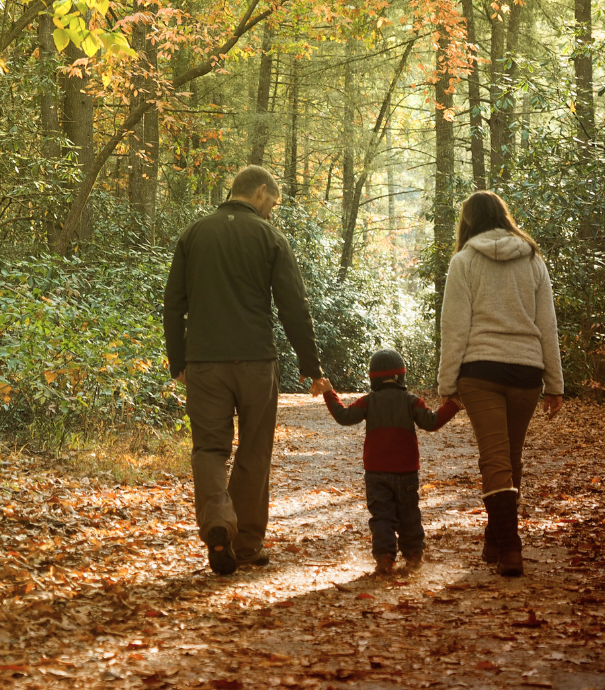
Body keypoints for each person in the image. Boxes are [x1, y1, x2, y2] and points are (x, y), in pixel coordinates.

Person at [164, 166, 332, 576]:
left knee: (209, 449)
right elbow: (294, 306)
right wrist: (312, 367)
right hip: (257, 361)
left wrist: (178, 361)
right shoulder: (270, 237)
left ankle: (219, 522)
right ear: (259, 192)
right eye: (272, 203)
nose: (272, 212)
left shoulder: (194, 234)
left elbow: (173, 302)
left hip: (204, 363)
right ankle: (247, 545)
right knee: (254, 450)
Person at [437, 191, 564, 577]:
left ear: (470, 221)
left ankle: (509, 545)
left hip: (480, 372)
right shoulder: (532, 259)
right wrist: (555, 383)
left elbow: (454, 327)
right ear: (503, 216)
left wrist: (447, 382)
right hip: (526, 371)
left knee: (497, 457)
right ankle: (498, 538)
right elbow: (547, 325)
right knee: (509, 456)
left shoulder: (464, 261)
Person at [323, 349, 459, 574]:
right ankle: (414, 555)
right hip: (406, 472)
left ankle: (385, 558)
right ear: (401, 376)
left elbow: (344, 416)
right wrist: (454, 404)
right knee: (409, 515)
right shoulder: (412, 401)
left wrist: (329, 392)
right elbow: (432, 422)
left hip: (376, 473)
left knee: (382, 517)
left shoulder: (368, 401)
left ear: (373, 378)